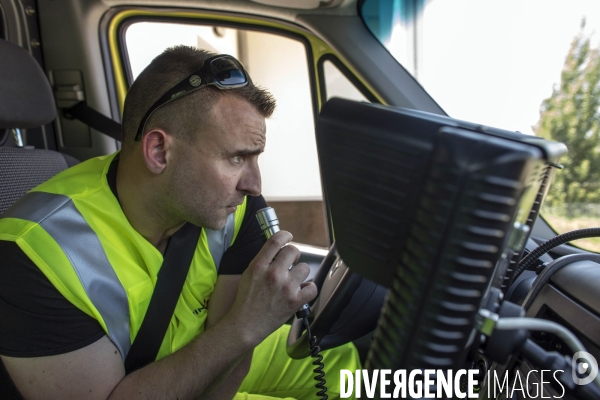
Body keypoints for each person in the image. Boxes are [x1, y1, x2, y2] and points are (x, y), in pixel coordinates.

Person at [0, 46, 360, 399]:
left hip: (215, 353)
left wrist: (244, 329)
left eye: (255, 158)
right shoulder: (32, 254)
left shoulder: (236, 207)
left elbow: (229, 371)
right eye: (236, 158)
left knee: (362, 372)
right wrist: (245, 325)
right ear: (159, 151)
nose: (254, 185)